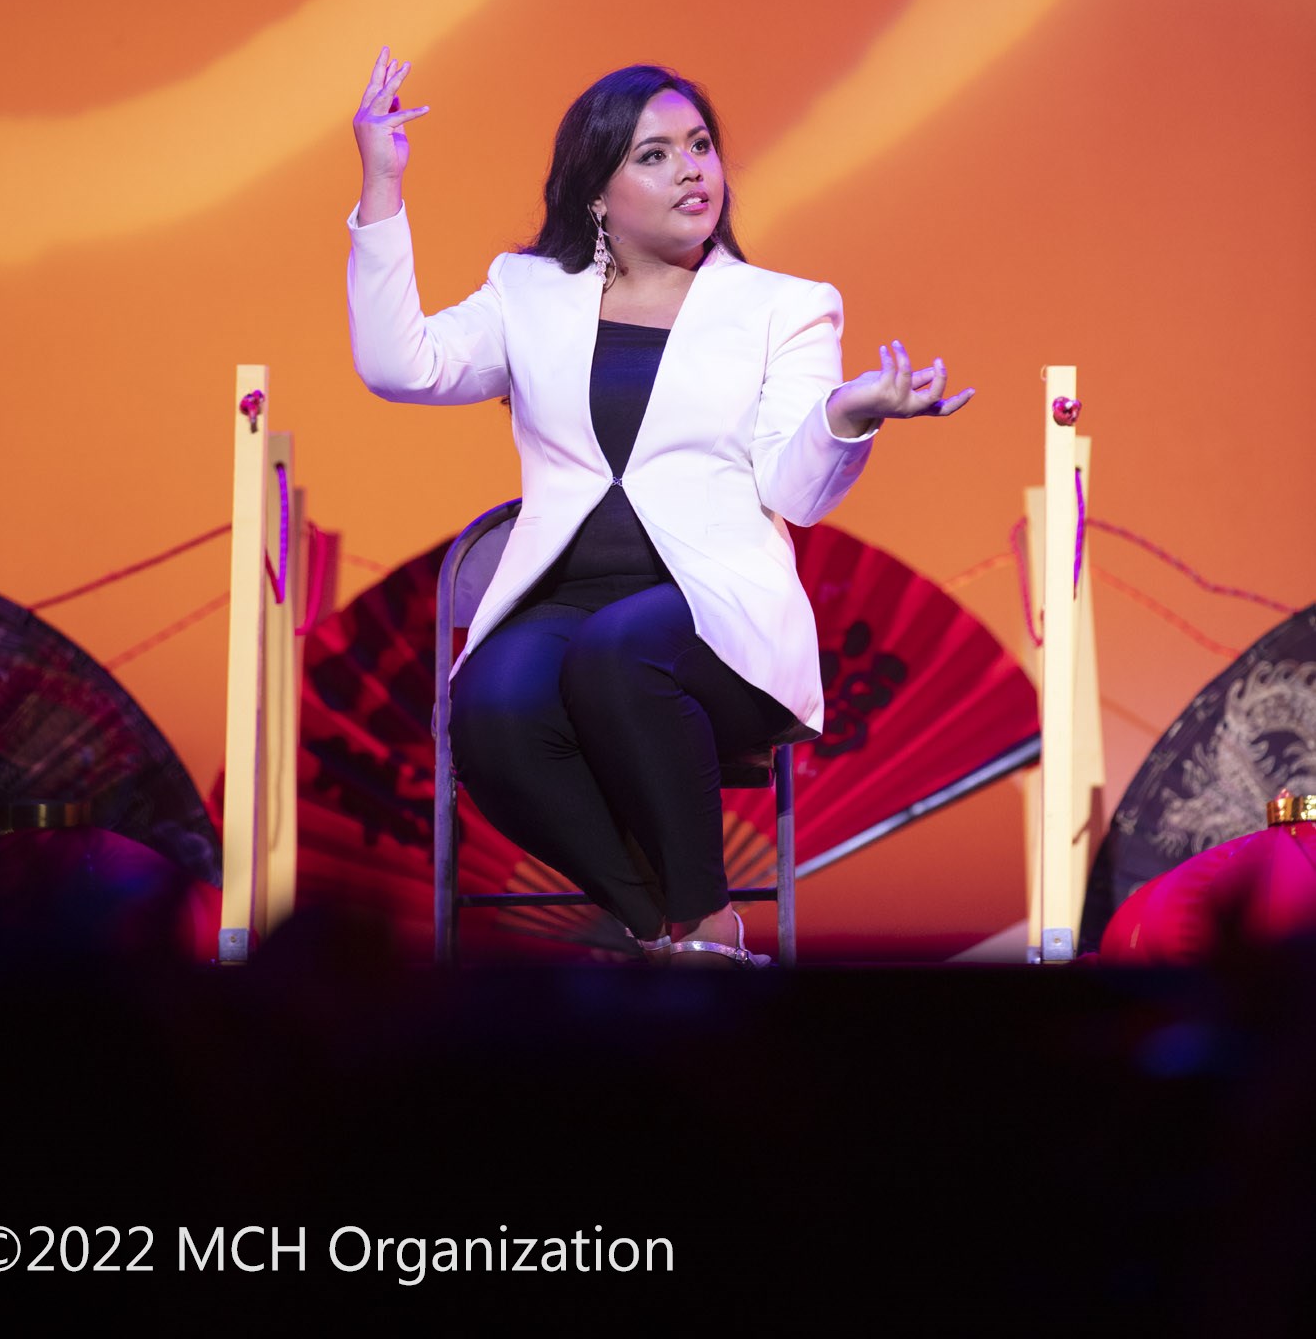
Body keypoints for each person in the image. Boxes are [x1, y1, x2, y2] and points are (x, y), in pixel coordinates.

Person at [348, 48, 973, 964]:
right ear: (596, 194)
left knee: (621, 650)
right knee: (492, 710)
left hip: (711, 613)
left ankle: (708, 920)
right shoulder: (528, 291)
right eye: (654, 154)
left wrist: (847, 413)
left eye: (700, 145)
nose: (691, 169)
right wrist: (382, 182)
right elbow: (399, 367)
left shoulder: (784, 307)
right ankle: (657, 932)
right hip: (564, 603)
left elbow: (793, 493)